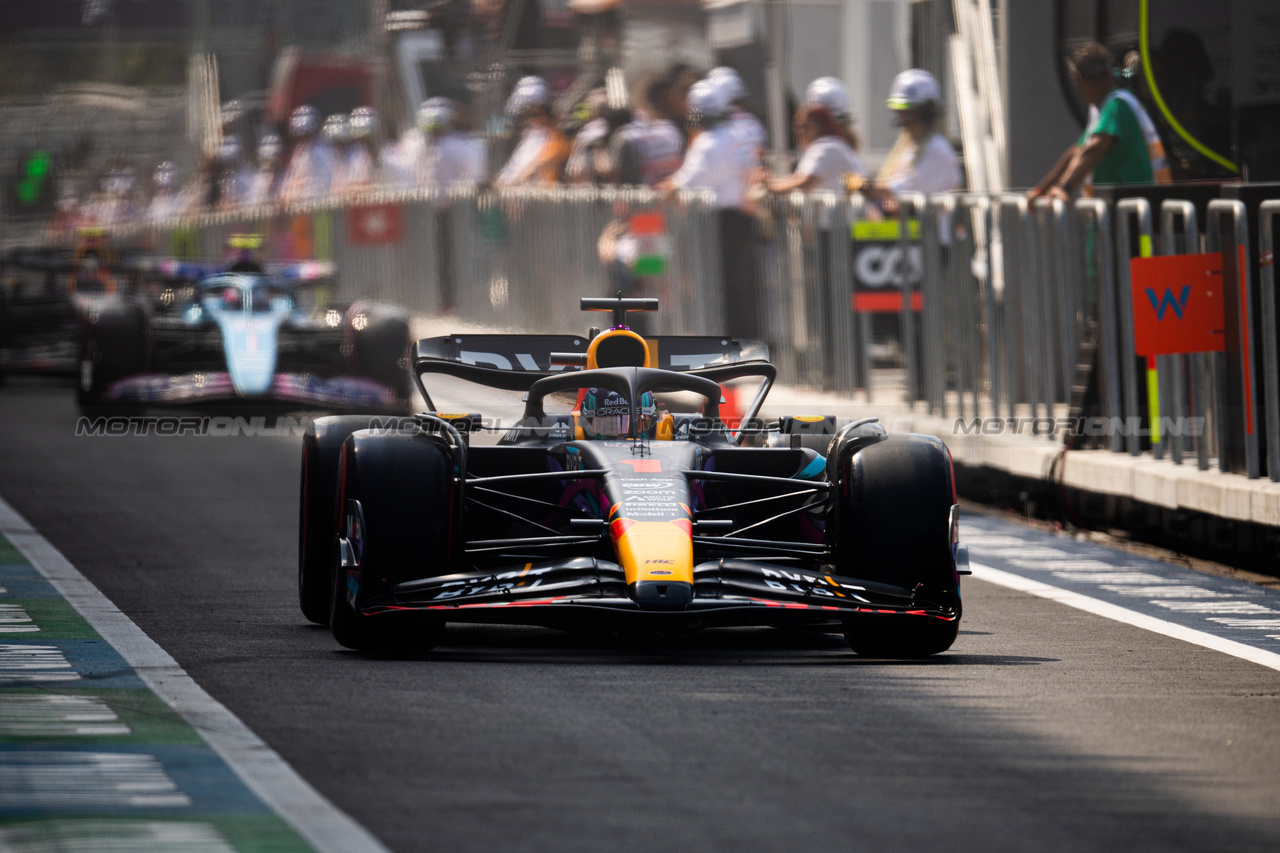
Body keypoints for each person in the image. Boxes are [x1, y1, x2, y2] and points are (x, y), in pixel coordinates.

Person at [658, 78, 759, 341]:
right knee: (743, 283)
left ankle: (727, 341)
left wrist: (659, 191)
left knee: (721, 284)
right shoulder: (740, 136)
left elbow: (684, 183)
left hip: (719, 222)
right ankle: (747, 338)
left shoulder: (707, 144)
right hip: (743, 218)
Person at [1030, 42, 1171, 200]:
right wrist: (1041, 190)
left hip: (1130, 213)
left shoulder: (1116, 106)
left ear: (1079, 79)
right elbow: (1078, 151)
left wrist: (1065, 188)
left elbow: (1094, 149)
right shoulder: (1104, 108)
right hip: (1122, 212)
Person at [863, 69, 960, 212]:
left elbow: (903, 188)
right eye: (899, 110)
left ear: (925, 112)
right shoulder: (912, 148)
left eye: (908, 110)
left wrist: (864, 187)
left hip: (931, 233)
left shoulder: (936, 150)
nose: (903, 117)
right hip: (911, 231)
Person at [608, 74, 685, 186]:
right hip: (670, 198)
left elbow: (615, 176)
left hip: (646, 199)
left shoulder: (624, 137)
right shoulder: (675, 131)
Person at [494, 76, 570, 187]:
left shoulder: (556, 138)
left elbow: (535, 168)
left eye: (536, 115)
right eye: (528, 115)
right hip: (518, 196)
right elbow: (513, 168)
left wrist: (511, 183)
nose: (531, 120)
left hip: (538, 197)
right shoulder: (529, 136)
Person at [279, 105, 336, 203]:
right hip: (300, 205)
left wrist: (300, 190)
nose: (302, 138)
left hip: (319, 203)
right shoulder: (298, 152)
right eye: (298, 135)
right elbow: (290, 180)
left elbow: (322, 184)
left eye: (305, 134)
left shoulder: (322, 150)